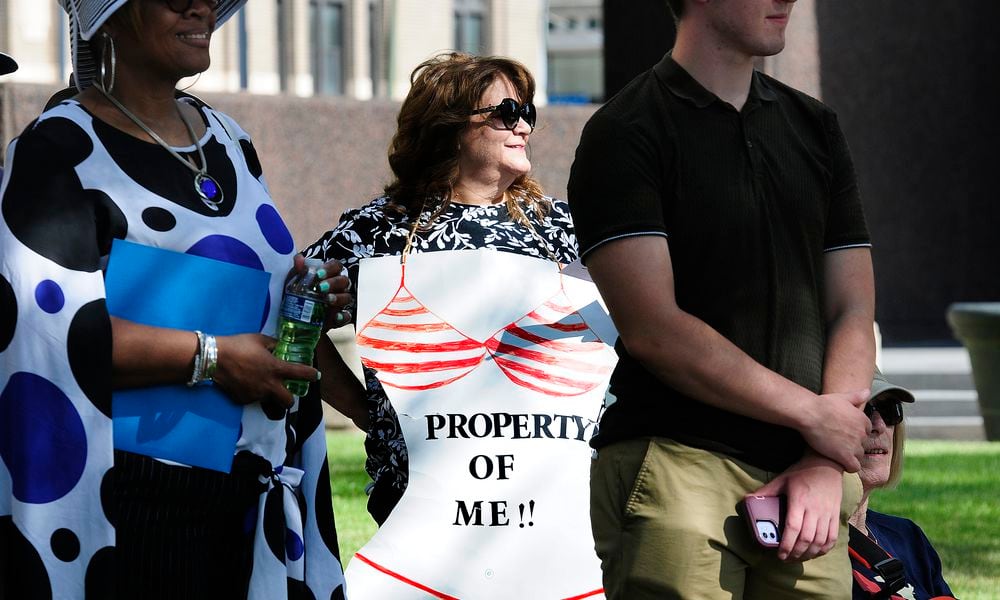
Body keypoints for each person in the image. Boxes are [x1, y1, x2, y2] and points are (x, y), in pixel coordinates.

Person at [0, 1, 350, 597]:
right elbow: (43, 333)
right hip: (135, 508)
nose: (201, 6)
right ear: (110, 17)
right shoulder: (55, 149)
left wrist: (302, 296)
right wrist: (214, 357)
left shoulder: (230, 139)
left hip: (253, 489)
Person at [567, 0, 876, 597]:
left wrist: (823, 456)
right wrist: (816, 419)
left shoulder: (816, 127)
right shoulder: (625, 131)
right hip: (677, 463)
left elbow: (852, 309)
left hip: (806, 475)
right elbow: (654, 329)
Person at [304, 52, 578, 525]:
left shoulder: (561, 228)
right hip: (420, 497)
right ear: (449, 128)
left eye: (527, 113)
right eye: (507, 113)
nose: (524, 127)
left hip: (547, 495)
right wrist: (362, 410)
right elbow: (296, 312)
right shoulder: (380, 230)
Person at [850, 372, 955, 599]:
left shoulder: (907, 536)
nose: (878, 425)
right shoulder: (807, 544)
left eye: (889, 410)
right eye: (862, 410)